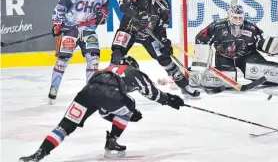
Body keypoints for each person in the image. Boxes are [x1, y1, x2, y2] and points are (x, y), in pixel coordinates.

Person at [19, 56, 185, 162]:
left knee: (65, 126)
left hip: (86, 93)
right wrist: (170, 100)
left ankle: (38, 154)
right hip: (110, 96)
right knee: (130, 107)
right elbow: (152, 93)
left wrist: (109, 113)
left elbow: (99, 102)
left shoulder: (105, 69)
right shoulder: (134, 72)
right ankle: (112, 142)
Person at [110, 0, 200, 99]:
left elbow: (161, 28)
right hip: (128, 29)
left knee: (165, 59)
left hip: (147, 35)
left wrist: (164, 42)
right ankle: (110, 85)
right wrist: (137, 14)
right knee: (117, 54)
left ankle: (185, 86)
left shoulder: (165, 5)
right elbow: (122, 3)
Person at [190, 4, 278, 89]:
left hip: (247, 55)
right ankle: (198, 76)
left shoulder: (250, 27)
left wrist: (271, 46)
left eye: (240, 17)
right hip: (224, 57)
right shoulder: (217, 26)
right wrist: (202, 60)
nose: (238, 20)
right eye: (235, 17)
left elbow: (261, 41)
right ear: (229, 16)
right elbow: (201, 38)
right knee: (227, 78)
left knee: (262, 71)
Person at [48, 0, 109, 104]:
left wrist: (102, 14)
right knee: (63, 60)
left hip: (88, 30)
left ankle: (91, 91)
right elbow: (60, 9)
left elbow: (105, 8)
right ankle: (54, 87)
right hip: (71, 28)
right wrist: (57, 24)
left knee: (93, 59)